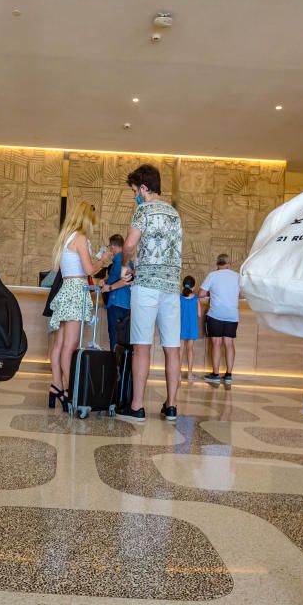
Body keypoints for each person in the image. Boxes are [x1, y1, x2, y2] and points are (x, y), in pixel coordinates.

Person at [116, 165, 183, 422]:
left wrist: (125, 264)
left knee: (142, 346)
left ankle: (137, 407)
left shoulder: (143, 210)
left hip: (145, 286)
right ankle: (172, 406)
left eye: (135, 190)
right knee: (172, 348)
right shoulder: (175, 214)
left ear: (144, 188)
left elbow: (130, 243)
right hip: (171, 287)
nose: (135, 195)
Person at [47, 202, 112, 411]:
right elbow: (90, 270)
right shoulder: (81, 238)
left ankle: (56, 385)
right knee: (70, 346)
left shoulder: (67, 237)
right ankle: (71, 389)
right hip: (76, 290)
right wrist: (103, 260)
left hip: (67, 288)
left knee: (60, 344)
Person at [200, 255, 241, 386]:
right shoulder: (237, 276)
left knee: (216, 343)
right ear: (228, 263)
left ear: (217, 263)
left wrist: (211, 293)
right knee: (229, 344)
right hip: (232, 315)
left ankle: (215, 375)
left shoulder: (212, 275)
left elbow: (201, 294)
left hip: (215, 314)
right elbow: (242, 294)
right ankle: (229, 375)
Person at [101, 234, 132, 351]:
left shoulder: (120, 258)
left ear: (113, 246)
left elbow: (126, 280)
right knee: (123, 338)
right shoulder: (124, 259)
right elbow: (122, 277)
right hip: (125, 303)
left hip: (117, 302)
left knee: (115, 336)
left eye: (110, 247)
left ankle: (115, 365)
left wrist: (109, 288)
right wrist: (106, 281)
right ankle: (121, 366)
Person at [179, 277, 200, 380]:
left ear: (182, 286)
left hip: (181, 326)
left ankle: (178, 374)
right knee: (190, 349)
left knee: (180, 349)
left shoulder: (179, 298)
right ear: (194, 286)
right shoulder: (196, 298)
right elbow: (199, 314)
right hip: (192, 327)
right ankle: (190, 374)